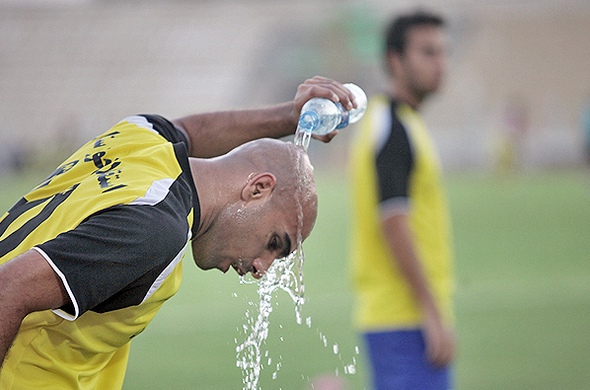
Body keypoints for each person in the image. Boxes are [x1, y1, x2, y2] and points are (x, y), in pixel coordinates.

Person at [0, 75, 357, 389]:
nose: (263, 267)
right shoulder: (156, 228)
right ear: (258, 188)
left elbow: (190, 131)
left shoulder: (140, 145)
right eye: (275, 244)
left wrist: (288, 117)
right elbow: (9, 288)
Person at [349, 11, 455, 389]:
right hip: (403, 318)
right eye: (428, 52)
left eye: (443, 52)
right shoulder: (392, 128)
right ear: (395, 61)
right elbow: (394, 222)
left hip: (403, 317)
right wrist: (431, 311)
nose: (440, 63)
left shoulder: (402, 123)